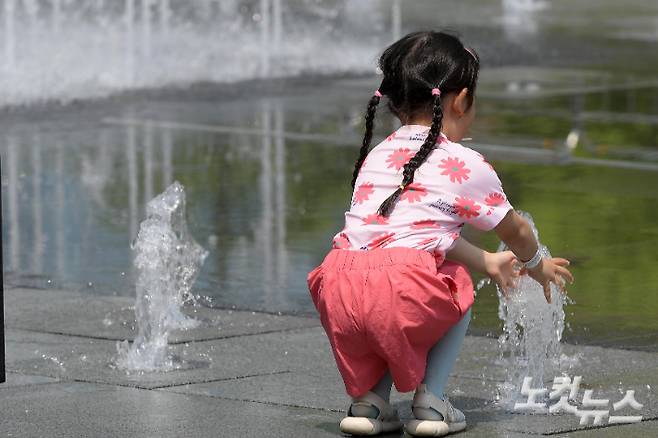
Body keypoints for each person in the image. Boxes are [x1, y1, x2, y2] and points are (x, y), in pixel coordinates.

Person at [306, 31, 573, 437]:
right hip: (398, 288)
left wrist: (487, 261)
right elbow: (514, 229)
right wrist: (536, 263)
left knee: (382, 298)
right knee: (452, 285)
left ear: (395, 103)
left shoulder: (379, 155)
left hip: (337, 288)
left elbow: (416, 237)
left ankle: (369, 404)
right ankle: (431, 402)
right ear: (462, 100)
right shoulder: (462, 162)